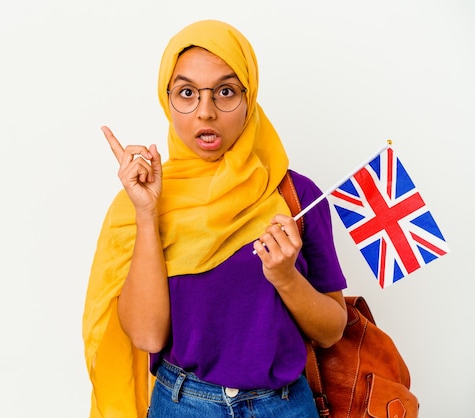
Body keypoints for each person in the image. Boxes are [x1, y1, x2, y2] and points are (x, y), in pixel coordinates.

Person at [82, 19, 348, 418]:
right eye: (187, 93)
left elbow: (332, 331)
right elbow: (147, 335)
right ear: (166, 99)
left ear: (249, 97)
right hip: (181, 405)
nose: (205, 113)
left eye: (225, 91)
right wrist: (146, 213)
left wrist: (286, 277)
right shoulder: (145, 200)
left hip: (283, 407)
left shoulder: (292, 195)